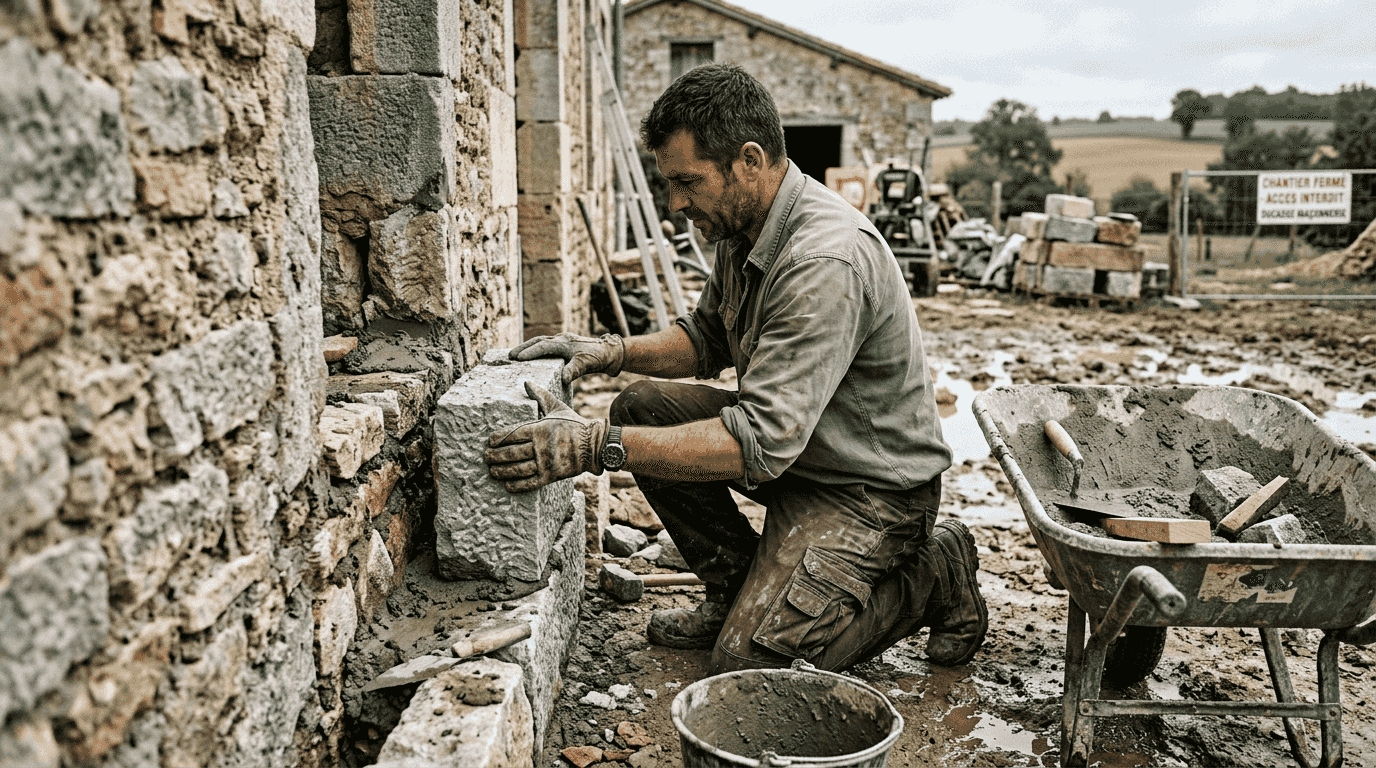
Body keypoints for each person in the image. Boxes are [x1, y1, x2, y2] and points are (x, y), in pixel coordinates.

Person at [484, 63, 986, 674]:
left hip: (869, 493)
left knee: (751, 665)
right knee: (641, 409)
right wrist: (607, 352)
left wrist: (591, 449)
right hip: (805, 456)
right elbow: (707, 337)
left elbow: (759, 442)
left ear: (749, 160)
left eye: (687, 182)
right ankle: (736, 590)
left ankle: (935, 572)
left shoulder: (825, 259)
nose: (675, 204)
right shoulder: (743, 227)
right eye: (669, 184)